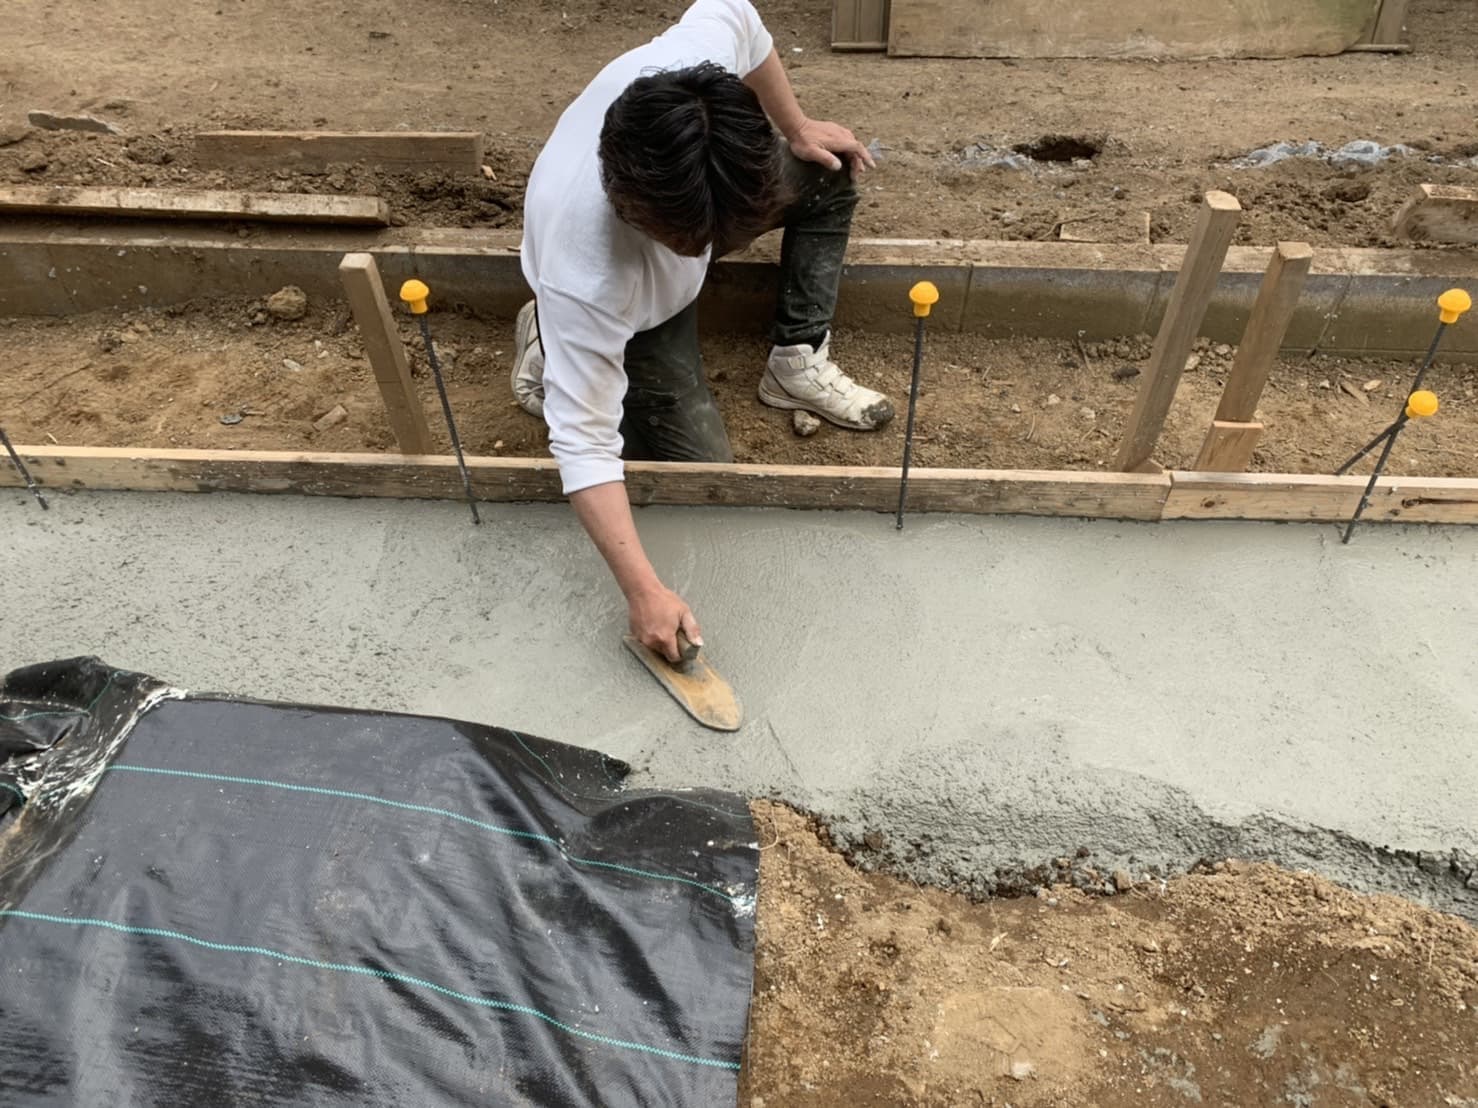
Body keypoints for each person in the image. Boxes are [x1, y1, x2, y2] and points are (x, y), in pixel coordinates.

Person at [514, 0, 889, 663]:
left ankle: (795, 360)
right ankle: (551, 340)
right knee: (699, 480)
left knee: (827, 175)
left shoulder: (697, 76)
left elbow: (738, 13)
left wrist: (797, 127)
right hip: (634, 309)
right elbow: (583, 445)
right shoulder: (588, 276)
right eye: (684, 241)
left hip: (702, 194)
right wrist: (644, 592)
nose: (703, 256)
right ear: (631, 203)